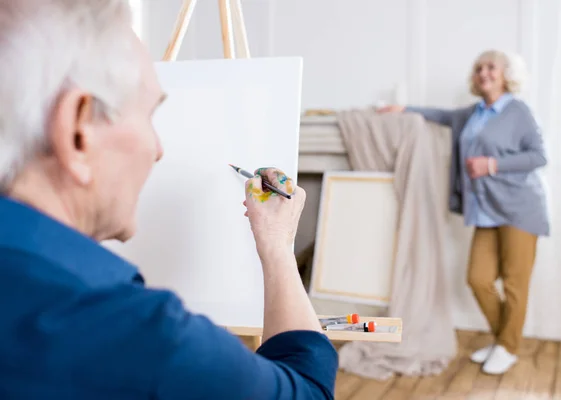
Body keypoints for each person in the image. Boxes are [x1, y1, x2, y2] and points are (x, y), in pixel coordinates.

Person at [0, 1, 337, 398]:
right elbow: (308, 391)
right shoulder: (136, 336)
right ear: (78, 130)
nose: (159, 149)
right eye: (148, 115)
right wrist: (279, 247)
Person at [379, 49, 549, 374]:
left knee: (515, 283)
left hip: (521, 208)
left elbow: (539, 156)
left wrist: (492, 164)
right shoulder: (471, 114)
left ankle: (508, 346)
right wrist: (403, 109)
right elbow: (439, 115)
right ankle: (504, 339)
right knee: (478, 278)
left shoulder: (519, 111)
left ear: (506, 74)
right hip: (487, 211)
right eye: (478, 68)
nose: (483, 72)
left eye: (491, 67)